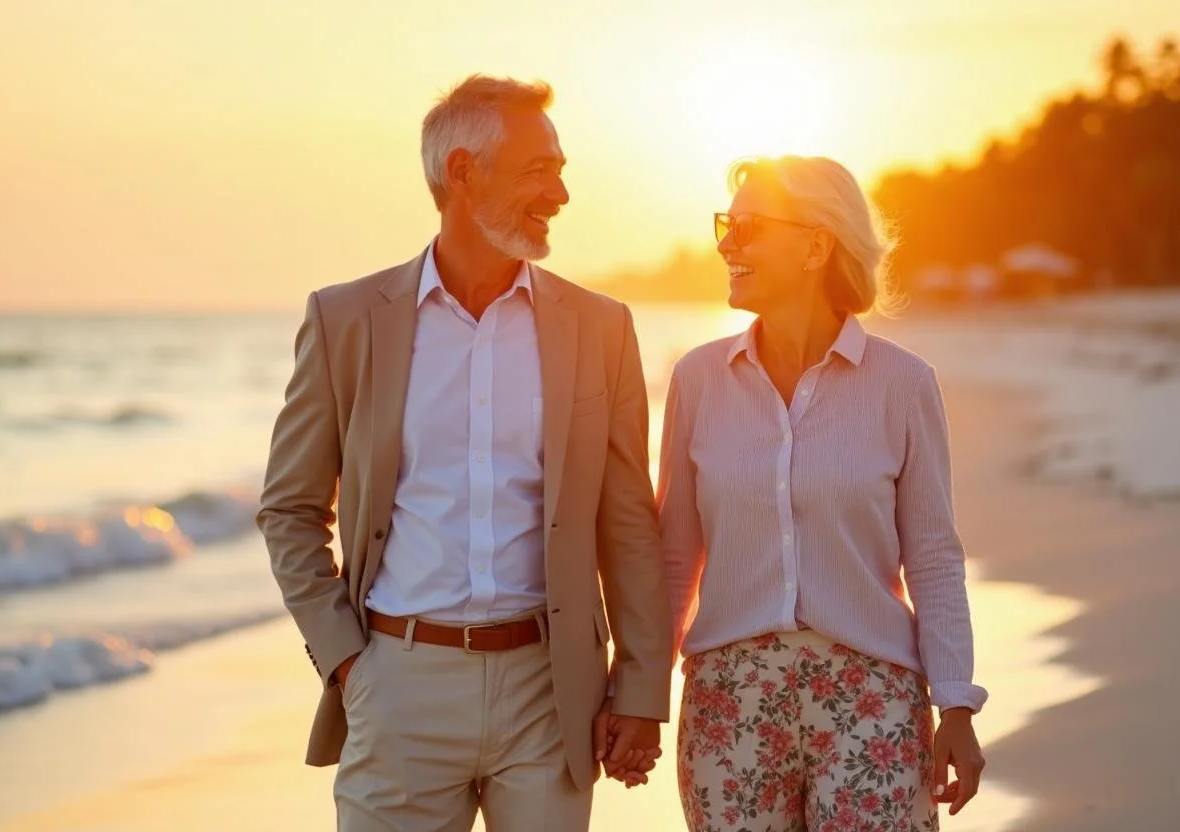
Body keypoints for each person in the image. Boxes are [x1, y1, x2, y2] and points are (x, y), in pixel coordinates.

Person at [257, 74, 671, 832]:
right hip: (399, 683)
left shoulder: (599, 327)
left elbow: (629, 525)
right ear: (462, 172)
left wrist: (641, 687)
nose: (561, 194)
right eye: (539, 169)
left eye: (562, 170)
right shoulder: (346, 319)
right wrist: (348, 660)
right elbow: (289, 509)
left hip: (551, 692)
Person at [658, 155, 987, 831]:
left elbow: (931, 555)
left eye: (747, 227)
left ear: (816, 244)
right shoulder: (697, 381)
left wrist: (956, 703)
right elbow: (673, 557)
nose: (726, 243)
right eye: (727, 224)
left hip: (873, 696)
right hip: (731, 701)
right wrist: (637, 696)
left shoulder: (904, 385)